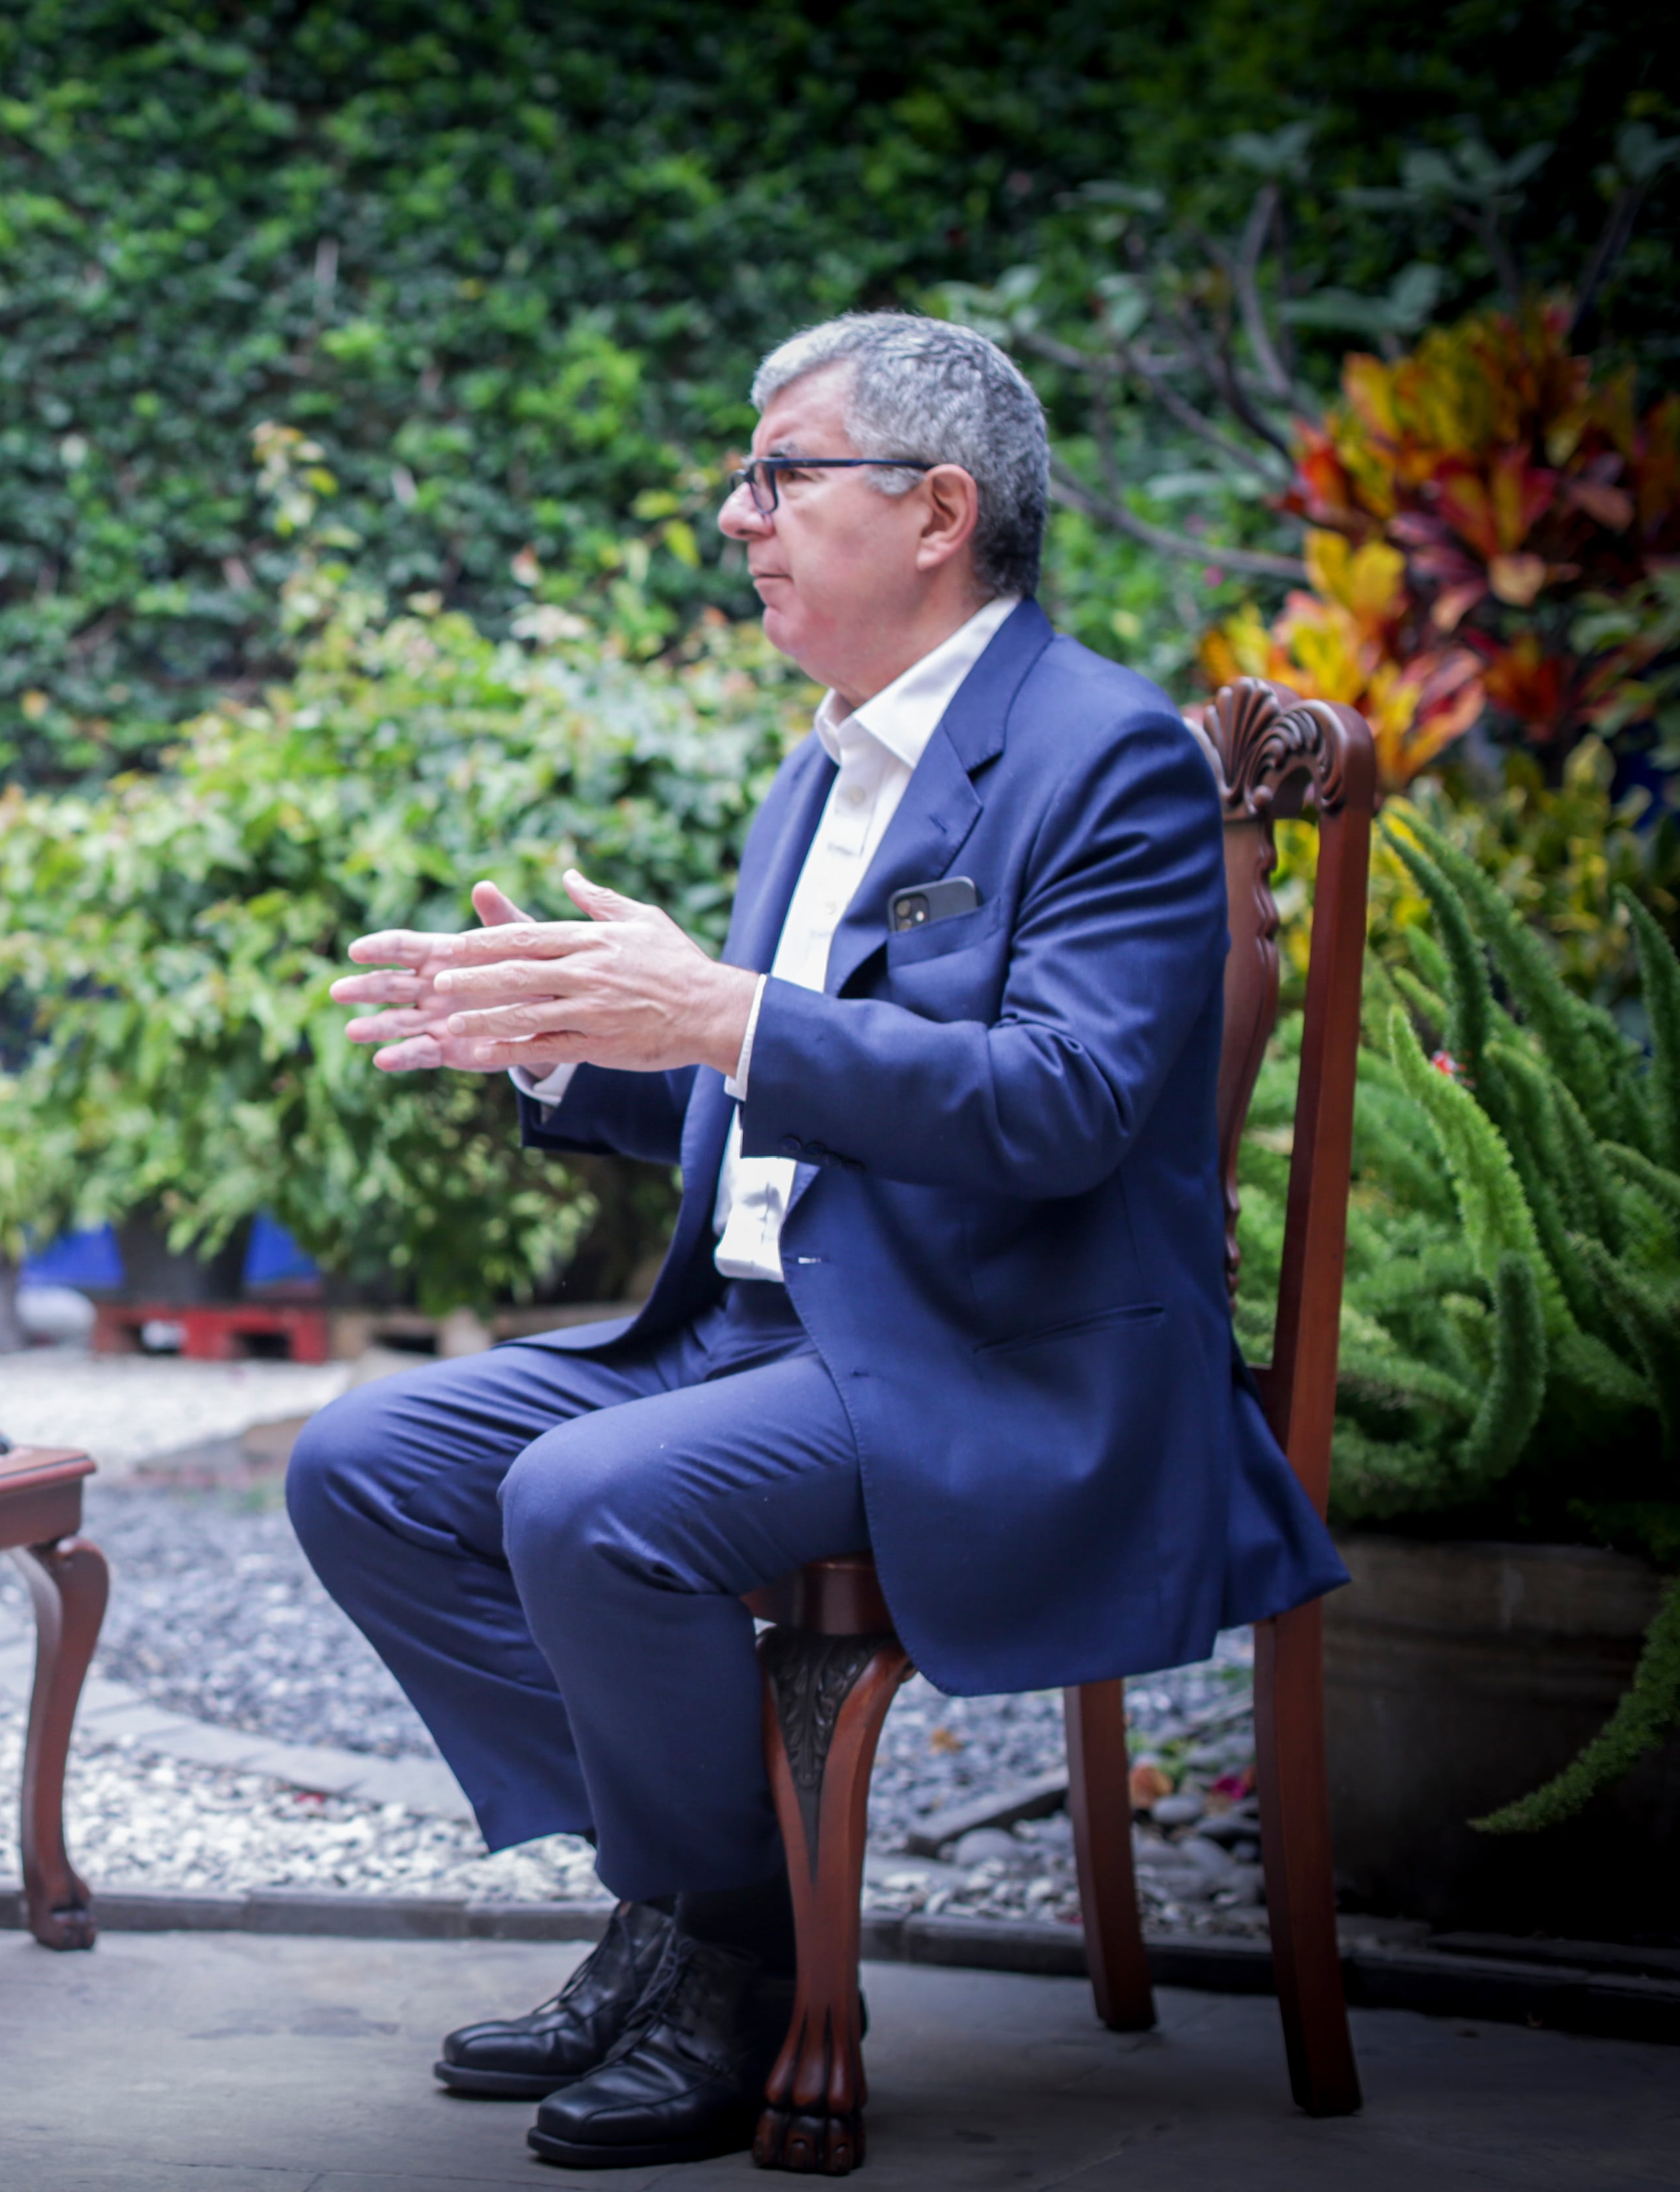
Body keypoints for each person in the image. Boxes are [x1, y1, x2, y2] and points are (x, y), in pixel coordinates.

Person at [292, 313, 1347, 2170]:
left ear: (939, 509)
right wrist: (574, 1054)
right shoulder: (824, 768)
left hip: (997, 1351)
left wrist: (718, 1014)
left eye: (781, 472)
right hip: (776, 1328)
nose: (737, 514)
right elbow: (777, 1090)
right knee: (363, 1463)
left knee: (587, 1500)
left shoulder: (1107, 758)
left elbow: (1064, 1109)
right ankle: (693, 1903)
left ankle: (744, 1965)